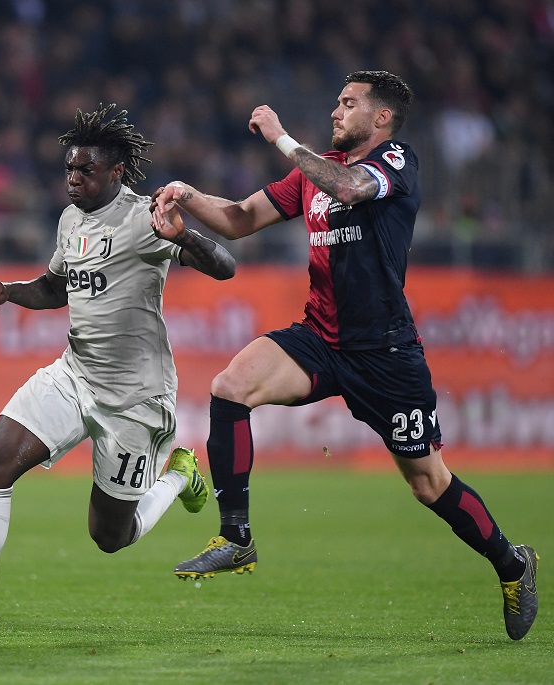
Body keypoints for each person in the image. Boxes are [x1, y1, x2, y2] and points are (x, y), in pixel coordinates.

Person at [151, 70, 539, 640]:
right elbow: (238, 219)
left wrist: (282, 139)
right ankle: (236, 538)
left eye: (348, 103)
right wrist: (188, 195)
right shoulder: (315, 170)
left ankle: (512, 564)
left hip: (386, 355)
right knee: (231, 386)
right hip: (321, 338)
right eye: (337, 101)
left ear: (381, 118)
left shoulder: (396, 161)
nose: (336, 111)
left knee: (429, 483)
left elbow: (353, 188)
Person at [0, 104, 237, 636]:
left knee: (110, 537)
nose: (73, 180)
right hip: (74, 373)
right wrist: (7, 291)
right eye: (68, 169)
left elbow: (226, 267)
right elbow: (58, 287)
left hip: (136, 398)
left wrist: (184, 237)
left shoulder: (145, 219)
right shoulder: (70, 219)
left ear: (116, 172)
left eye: (85, 171)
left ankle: (178, 475)